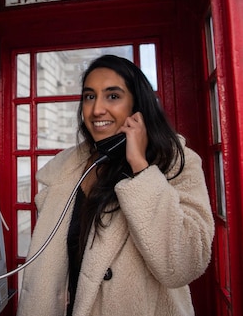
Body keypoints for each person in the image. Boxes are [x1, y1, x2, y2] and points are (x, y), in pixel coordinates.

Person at [16, 55, 215, 316]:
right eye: (89, 96)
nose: (97, 109)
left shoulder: (175, 162)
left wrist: (140, 167)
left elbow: (184, 263)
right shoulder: (69, 167)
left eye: (112, 96)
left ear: (137, 105)